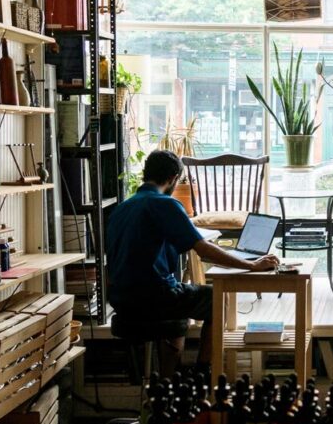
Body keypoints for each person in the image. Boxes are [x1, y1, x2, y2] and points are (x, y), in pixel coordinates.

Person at [106, 149, 278, 374]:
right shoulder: (165, 204)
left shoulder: (121, 209)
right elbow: (203, 249)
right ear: (173, 179)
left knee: (179, 291)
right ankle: (202, 371)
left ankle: (170, 379)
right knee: (215, 298)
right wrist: (252, 265)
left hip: (121, 300)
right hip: (154, 298)